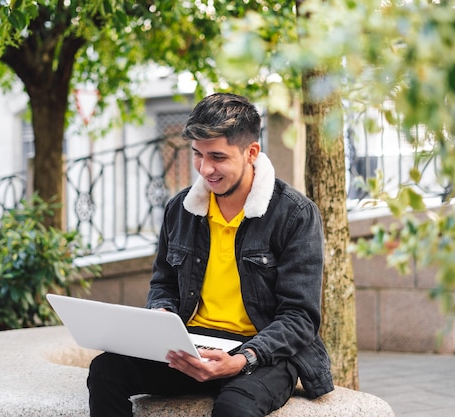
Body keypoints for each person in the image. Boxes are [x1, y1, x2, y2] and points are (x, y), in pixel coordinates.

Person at [87, 92, 334, 417]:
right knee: (106, 371)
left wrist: (242, 358)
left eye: (217, 157)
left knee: (234, 409)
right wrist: (161, 314)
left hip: (263, 352)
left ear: (251, 153)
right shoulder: (180, 209)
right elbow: (164, 283)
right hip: (191, 343)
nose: (205, 169)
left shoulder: (295, 214)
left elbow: (300, 317)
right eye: (197, 155)